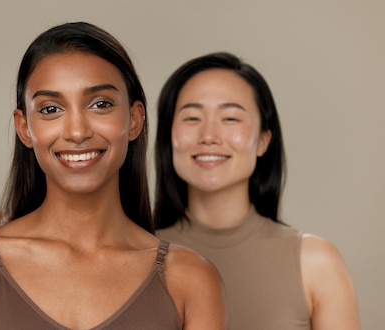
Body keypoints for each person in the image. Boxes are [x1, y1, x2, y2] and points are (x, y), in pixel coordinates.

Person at [0, 22, 227, 329]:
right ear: (24, 128)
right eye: (50, 109)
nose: (77, 132)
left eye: (100, 104)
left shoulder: (191, 279)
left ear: (135, 119)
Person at [153, 51, 360, 330]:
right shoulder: (134, 257)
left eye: (230, 118)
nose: (209, 136)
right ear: (168, 137)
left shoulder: (316, 263)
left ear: (263, 141)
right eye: (192, 118)